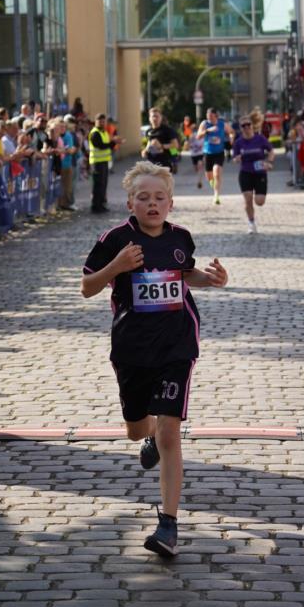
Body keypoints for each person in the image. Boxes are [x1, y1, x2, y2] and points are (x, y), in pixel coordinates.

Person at [81, 161, 228, 558]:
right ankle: (144, 437)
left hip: (177, 345)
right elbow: (87, 287)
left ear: (170, 203)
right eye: (143, 197)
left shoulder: (180, 237)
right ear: (130, 202)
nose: (152, 204)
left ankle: (168, 525)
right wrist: (117, 267)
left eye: (159, 197)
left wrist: (210, 279)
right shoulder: (114, 239)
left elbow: (185, 274)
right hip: (131, 349)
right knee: (137, 430)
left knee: (170, 432)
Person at [232, 115, 275, 234]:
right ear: (240, 128)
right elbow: (234, 158)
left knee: (259, 201)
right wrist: (237, 159)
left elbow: (271, 151)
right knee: (248, 198)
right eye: (243, 126)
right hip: (245, 172)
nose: (246, 127)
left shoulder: (260, 139)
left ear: (252, 126)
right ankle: (251, 222)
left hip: (260, 172)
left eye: (248, 125)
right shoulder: (238, 142)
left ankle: (253, 217)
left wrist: (269, 162)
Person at [197, 107, 231, 205]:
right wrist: (207, 131)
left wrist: (231, 137)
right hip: (208, 153)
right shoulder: (204, 124)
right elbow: (198, 136)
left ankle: (216, 195)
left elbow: (231, 132)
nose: (209, 118)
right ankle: (213, 183)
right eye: (208, 116)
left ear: (216, 116)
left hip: (219, 152)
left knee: (217, 172)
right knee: (209, 176)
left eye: (211, 116)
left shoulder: (222, 124)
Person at [88, 112, 121, 213]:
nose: (102, 123)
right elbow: (101, 146)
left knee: (103, 184)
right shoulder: (95, 133)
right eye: (100, 121)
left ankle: (101, 204)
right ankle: (95, 206)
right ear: (96, 122)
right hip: (97, 162)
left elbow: (107, 145)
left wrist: (114, 142)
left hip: (104, 161)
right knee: (98, 185)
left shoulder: (104, 132)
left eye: (103, 121)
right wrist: (113, 143)